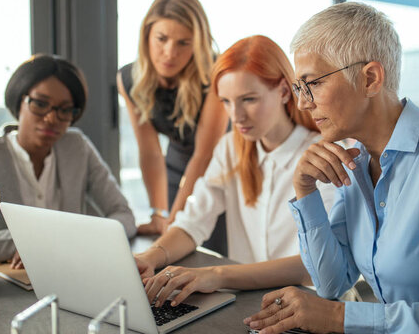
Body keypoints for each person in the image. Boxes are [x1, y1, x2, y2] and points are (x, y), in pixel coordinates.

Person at [245, 3, 419, 334]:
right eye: (299, 87)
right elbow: (332, 283)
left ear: (370, 79)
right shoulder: (354, 161)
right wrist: (305, 191)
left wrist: (337, 318)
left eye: (313, 84)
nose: (302, 103)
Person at [134, 35, 336, 308]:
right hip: (250, 304)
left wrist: (216, 275)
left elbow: (317, 263)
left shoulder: (323, 153)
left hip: (310, 306)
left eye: (248, 99)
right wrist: (150, 257)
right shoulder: (230, 148)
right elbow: (193, 222)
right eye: (226, 102)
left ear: (284, 91)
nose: (236, 116)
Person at [0, 54, 136, 265]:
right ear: (19, 100)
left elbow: (123, 215)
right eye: (40, 104)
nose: (51, 118)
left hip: (67, 272)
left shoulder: (77, 147)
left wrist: (77, 241)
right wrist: (38, 243)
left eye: (64, 110)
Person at [118, 0, 228, 251]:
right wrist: (160, 214)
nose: (169, 52)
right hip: (177, 160)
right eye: (162, 38)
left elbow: (204, 154)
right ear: (146, 36)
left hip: (223, 162)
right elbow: (150, 152)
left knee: (207, 244)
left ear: (198, 43)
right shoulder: (128, 78)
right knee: (167, 237)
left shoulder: (216, 72)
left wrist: (177, 220)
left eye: (183, 43)